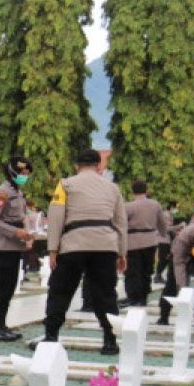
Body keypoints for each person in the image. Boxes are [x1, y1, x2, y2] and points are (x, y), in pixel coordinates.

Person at [29, 149, 127, 355]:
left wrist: (53, 249)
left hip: (74, 243)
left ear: (76, 166)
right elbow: (120, 222)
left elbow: (56, 216)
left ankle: (51, 336)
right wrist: (121, 252)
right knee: (106, 294)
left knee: (60, 291)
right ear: (99, 166)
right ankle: (110, 341)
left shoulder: (65, 184)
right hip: (105, 244)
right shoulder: (113, 188)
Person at [0, 156, 34, 341]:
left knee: (9, 289)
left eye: (27, 174)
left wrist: (27, 235)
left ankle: (1, 324)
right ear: (13, 173)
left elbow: (21, 218)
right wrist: (16, 233)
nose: (25, 177)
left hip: (14, 248)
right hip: (2, 248)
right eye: (23, 174)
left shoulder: (18, 192)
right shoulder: (3, 192)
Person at [122, 180, 170, 307]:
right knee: (146, 270)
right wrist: (163, 234)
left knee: (133, 271)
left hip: (132, 241)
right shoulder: (155, 204)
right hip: (150, 240)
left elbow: (121, 224)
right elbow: (162, 223)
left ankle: (134, 297)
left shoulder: (128, 206)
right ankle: (143, 296)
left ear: (133, 191)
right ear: (146, 191)